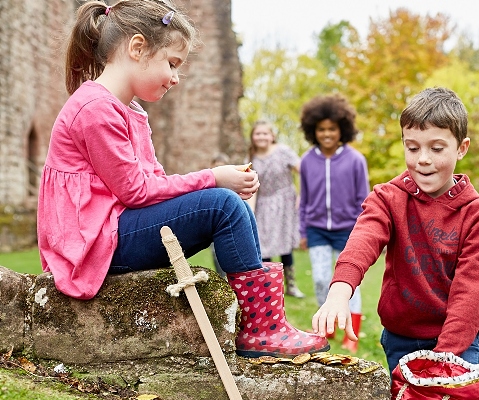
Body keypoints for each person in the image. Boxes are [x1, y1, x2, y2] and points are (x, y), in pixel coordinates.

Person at [36, 0, 328, 359]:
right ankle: (262, 328)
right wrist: (212, 178)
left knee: (230, 206)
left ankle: (266, 322)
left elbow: (152, 183)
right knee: (222, 204)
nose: (175, 77)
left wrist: (213, 182)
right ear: (138, 47)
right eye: (172, 64)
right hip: (95, 242)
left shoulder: (127, 109)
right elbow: (138, 192)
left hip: (112, 229)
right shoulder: (95, 109)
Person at [311, 87, 479, 371]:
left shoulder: (478, 216)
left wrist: (442, 359)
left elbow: (468, 297)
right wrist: (340, 292)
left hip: (462, 340)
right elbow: (363, 240)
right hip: (402, 337)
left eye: (436, 148)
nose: (423, 158)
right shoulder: (388, 198)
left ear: (462, 148)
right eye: (412, 148)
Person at [299, 94, 370, 353]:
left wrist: (362, 231)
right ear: (313, 131)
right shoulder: (307, 161)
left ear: (342, 130)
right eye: (321, 129)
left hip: (348, 230)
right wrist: (303, 230)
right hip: (317, 229)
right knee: (320, 279)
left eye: (332, 129)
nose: (326, 134)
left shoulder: (355, 160)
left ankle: (352, 332)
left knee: (351, 281)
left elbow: (364, 199)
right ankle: (325, 327)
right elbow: (304, 200)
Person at [248, 120, 305, 298]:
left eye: (265, 133)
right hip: (264, 204)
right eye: (258, 133)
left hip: (285, 201)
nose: (262, 137)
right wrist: (249, 211)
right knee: (265, 245)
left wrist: (303, 196)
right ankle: (272, 286)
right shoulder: (251, 158)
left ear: (272, 136)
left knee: (284, 243)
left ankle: (292, 285)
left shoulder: (283, 152)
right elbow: (251, 187)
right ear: (253, 137)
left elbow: (303, 170)